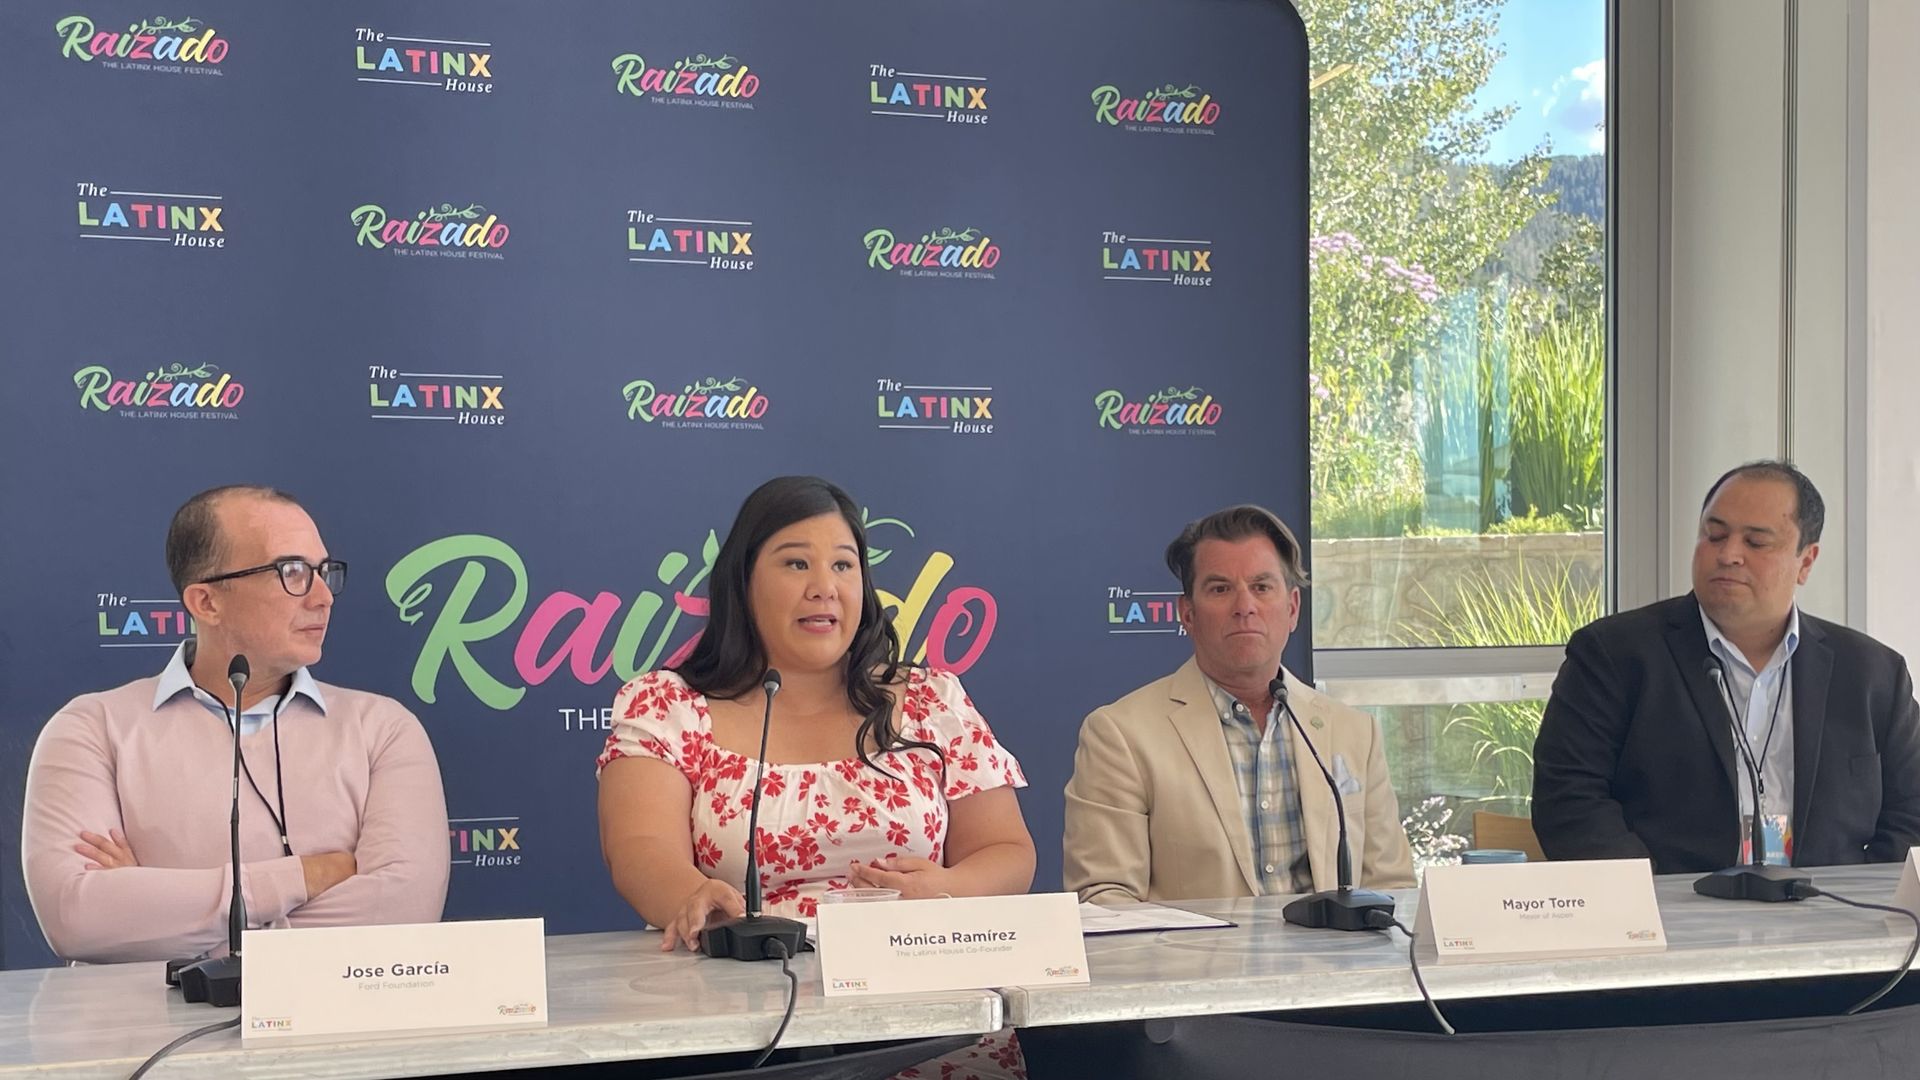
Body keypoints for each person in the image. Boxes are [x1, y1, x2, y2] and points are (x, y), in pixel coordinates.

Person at [597, 476, 1033, 1078]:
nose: (824, 588)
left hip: (929, 1016)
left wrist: (946, 889)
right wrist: (687, 896)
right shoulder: (666, 705)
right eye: (796, 563)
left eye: (844, 565)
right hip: (743, 1021)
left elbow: (1007, 851)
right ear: (744, 582)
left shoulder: (932, 699)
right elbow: (639, 849)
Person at [21, 485, 450, 963]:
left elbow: (401, 917)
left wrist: (161, 910)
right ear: (206, 602)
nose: (324, 597)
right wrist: (309, 875)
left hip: (335, 1034)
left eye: (324, 572)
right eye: (292, 572)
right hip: (144, 1037)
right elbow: (79, 921)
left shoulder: (384, 731)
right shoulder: (90, 730)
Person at [1533, 461, 1920, 872]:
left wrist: (1864, 898)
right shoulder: (1614, 655)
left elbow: (1912, 808)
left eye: (1755, 542)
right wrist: (1646, 901)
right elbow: (1570, 798)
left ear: (1805, 562)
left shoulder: (1871, 672)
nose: (1728, 554)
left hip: (1832, 916)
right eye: (1714, 535)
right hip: (1673, 918)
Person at [1064, 504, 1413, 904]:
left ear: (1293, 609)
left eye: (1262, 587)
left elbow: (1392, 890)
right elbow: (1104, 897)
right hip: (1192, 964)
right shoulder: (1121, 735)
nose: (1244, 606)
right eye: (1220, 589)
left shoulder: (1353, 733)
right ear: (1188, 614)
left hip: (1334, 964)